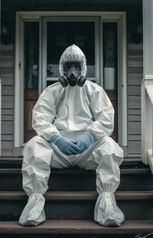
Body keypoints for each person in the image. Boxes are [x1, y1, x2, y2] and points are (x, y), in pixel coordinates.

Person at [19, 44, 124, 227]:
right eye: (68, 67)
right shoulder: (51, 91)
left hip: (87, 151)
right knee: (34, 145)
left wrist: (90, 136)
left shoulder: (94, 90)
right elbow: (40, 119)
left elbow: (106, 118)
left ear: (83, 67)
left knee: (109, 146)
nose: (72, 72)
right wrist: (56, 138)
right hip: (59, 150)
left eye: (76, 66)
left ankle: (107, 205)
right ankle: (34, 205)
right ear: (61, 68)